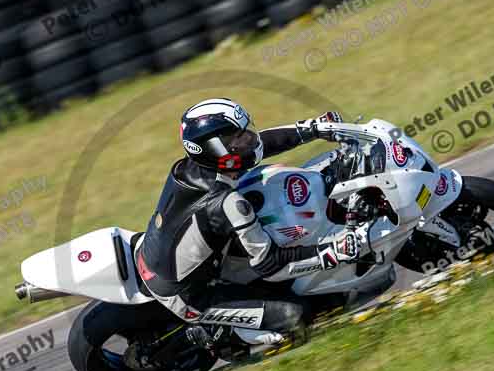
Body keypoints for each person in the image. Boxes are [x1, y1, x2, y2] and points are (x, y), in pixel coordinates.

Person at [134, 98, 361, 350]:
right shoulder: (225, 203)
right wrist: (332, 252)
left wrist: (312, 128)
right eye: (236, 139)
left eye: (244, 132)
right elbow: (270, 265)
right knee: (299, 317)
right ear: (211, 148)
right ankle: (211, 334)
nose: (247, 141)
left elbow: (263, 145)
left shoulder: (191, 166)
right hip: (190, 294)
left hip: (166, 255)